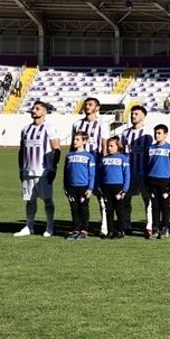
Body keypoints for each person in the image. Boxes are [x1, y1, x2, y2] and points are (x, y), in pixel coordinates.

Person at [15, 100, 60, 237]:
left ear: (44, 112)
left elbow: (56, 149)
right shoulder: (25, 129)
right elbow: (21, 151)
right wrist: (21, 169)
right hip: (27, 171)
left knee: (47, 199)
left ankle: (50, 226)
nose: (33, 110)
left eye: (37, 108)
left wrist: (53, 169)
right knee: (29, 200)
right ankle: (29, 226)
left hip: (43, 171)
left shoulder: (49, 128)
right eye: (33, 108)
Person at [72, 97, 108, 235]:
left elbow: (104, 145)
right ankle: (81, 227)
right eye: (86, 104)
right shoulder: (77, 124)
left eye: (90, 104)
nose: (87, 106)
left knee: (101, 197)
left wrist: (103, 165)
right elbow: (72, 145)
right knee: (81, 198)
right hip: (80, 168)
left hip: (96, 164)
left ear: (97, 108)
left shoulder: (102, 124)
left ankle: (104, 226)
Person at [119, 105, 153, 236]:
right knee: (125, 199)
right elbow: (122, 151)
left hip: (143, 173)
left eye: (136, 114)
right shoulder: (125, 133)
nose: (133, 116)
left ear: (143, 116)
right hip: (128, 173)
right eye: (132, 114)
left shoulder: (148, 133)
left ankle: (149, 226)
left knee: (148, 200)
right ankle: (126, 225)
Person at [145, 124, 170, 239]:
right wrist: (146, 178)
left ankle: (165, 228)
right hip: (152, 180)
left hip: (164, 181)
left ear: (165, 134)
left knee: (165, 205)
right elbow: (146, 165)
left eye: (159, 133)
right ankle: (155, 228)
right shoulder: (150, 148)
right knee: (154, 206)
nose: (157, 135)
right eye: (155, 133)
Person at [63, 132, 97, 241]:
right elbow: (66, 172)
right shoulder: (69, 156)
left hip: (84, 187)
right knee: (74, 208)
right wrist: (65, 186)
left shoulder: (89, 156)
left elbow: (92, 174)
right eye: (74, 139)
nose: (74, 141)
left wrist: (90, 188)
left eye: (77, 139)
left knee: (83, 208)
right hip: (71, 187)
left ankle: (84, 229)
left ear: (84, 141)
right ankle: (76, 229)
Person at [97, 136, 131, 240]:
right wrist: (99, 187)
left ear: (118, 146)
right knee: (109, 210)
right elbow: (100, 174)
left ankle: (120, 230)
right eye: (108, 146)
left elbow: (127, 174)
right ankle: (110, 231)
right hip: (106, 187)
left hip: (118, 188)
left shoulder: (123, 158)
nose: (109, 148)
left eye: (111, 146)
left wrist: (125, 189)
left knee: (119, 210)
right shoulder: (104, 159)